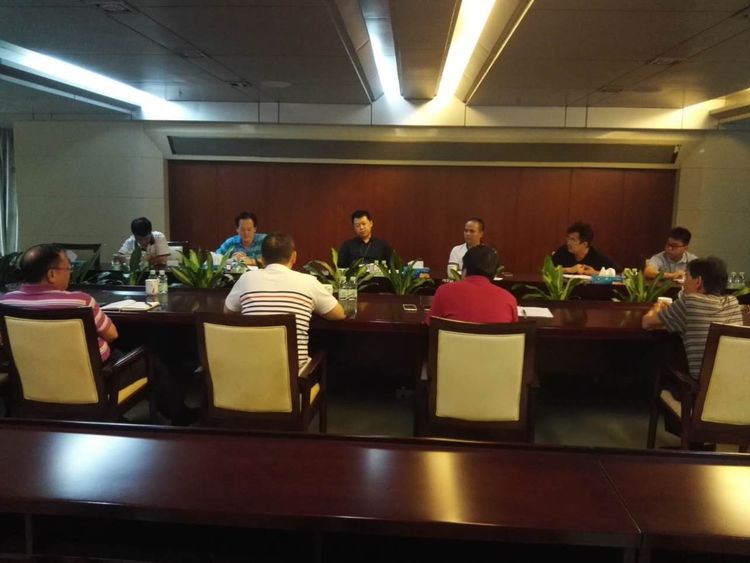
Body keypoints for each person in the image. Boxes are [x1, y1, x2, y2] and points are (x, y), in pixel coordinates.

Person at [0, 244, 198, 425]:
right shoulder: (80, 302)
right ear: (51, 274)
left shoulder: (6, 303)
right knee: (149, 360)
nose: (70, 273)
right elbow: (112, 335)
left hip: (33, 382)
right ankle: (179, 416)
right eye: (68, 268)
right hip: (95, 380)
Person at [224, 233, 345, 363]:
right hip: (293, 373)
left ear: (262, 259)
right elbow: (339, 314)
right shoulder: (308, 282)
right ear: (294, 257)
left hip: (251, 369)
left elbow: (228, 310)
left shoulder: (246, 279)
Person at [642, 256, 743, 382]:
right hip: (736, 383)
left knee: (660, 362)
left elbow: (646, 323)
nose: (683, 283)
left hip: (700, 386)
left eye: (686, 277)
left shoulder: (690, 301)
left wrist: (657, 307)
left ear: (698, 281)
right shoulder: (733, 303)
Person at [426, 245, 517, 324]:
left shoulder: (444, 292)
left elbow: (430, 325)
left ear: (464, 270)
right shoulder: (509, 299)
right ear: (494, 273)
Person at [551, 221, 619, 275]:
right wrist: (569, 270)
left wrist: (595, 273)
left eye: (573, 240)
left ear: (584, 244)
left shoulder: (597, 256)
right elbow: (548, 270)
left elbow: (620, 274)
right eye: (568, 238)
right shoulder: (563, 251)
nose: (568, 242)